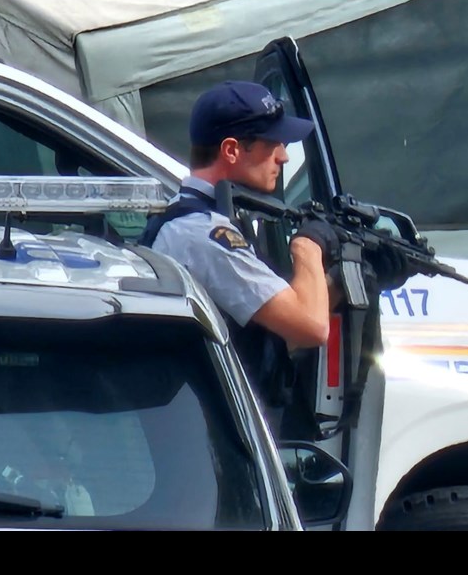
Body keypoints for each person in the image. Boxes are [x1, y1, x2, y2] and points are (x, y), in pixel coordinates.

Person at [139, 80, 341, 414]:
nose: (284, 155)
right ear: (231, 150)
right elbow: (311, 327)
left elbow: (279, 325)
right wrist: (308, 246)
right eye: (271, 143)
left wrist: (348, 279)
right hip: (209, 432)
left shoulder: (206, 220)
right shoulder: (203, 234)